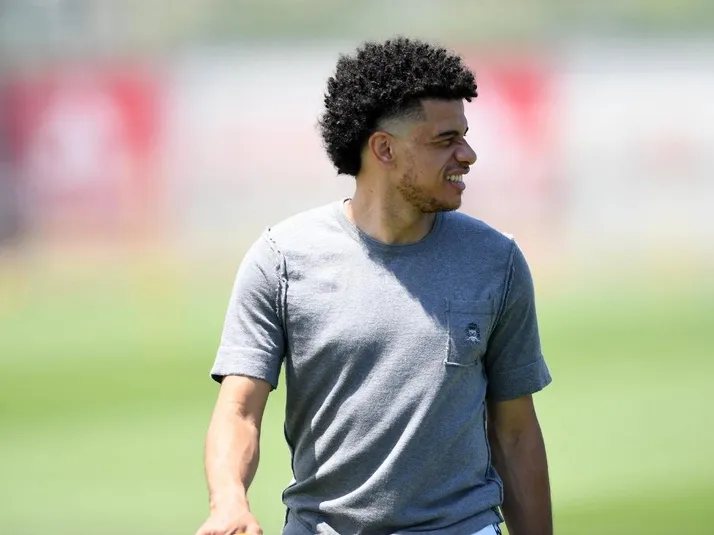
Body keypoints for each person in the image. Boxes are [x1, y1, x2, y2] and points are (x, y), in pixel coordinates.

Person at [196, 37, 553, 535]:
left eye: (466, 136)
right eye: (445, 139)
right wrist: (228, 502)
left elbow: (515, 434)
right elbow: (239, 410)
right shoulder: (280, 260)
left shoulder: (497, 261)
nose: (468, 154)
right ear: (384, 148)